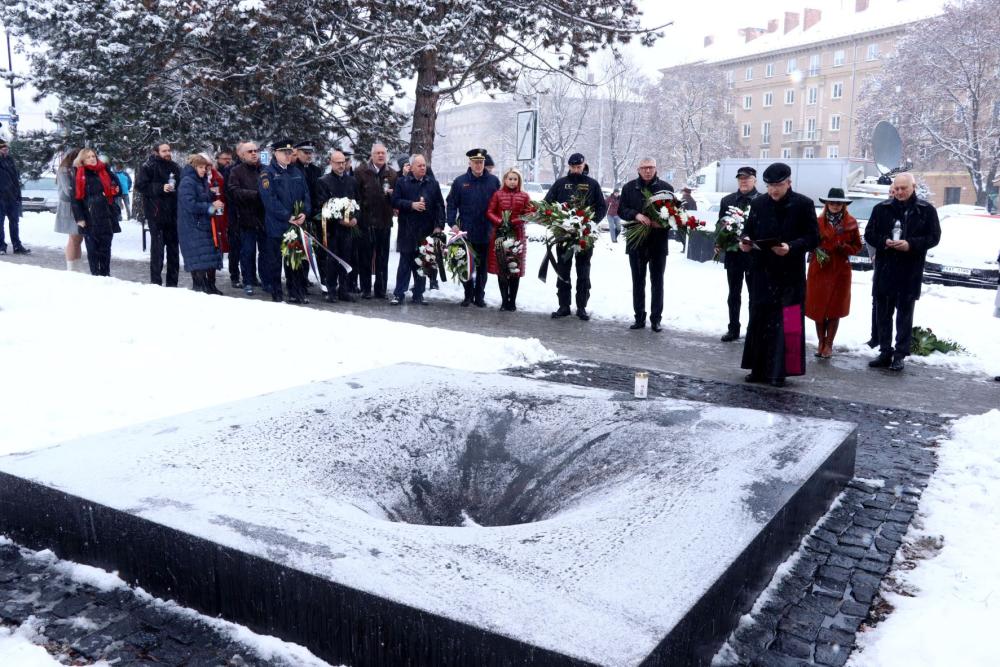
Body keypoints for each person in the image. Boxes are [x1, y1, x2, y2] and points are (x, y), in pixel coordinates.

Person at [738, 162, 818, 388]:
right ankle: (757, 367)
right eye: (770, 185)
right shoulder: (759, 203)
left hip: (789, 273)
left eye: (778, 185)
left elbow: (813, 238)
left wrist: (791, 247)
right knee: (759, 319)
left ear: (788, 183)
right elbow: (749, 230)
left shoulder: (803, 204)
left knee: (788, 321)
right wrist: (745, 242)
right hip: (762, 271)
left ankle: (781, 370)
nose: (774, 190)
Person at [864, 172, 941, 372]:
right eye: (896, 188)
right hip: (885, 269)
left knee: (904, 315)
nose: (899, 192)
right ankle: (885, 351)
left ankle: (900, 354)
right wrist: (884, 242)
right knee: (883, 314)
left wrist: (911, 244)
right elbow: (869, 234)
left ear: (913, 187)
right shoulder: (881, 209)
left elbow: (934, 237)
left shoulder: (926, 210)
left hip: (909, 270)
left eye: (903, 188)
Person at [544, 152, 607, 320]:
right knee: (563, 271)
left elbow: (602, 207)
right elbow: (547, 204)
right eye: (573, 167)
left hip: (584, 236)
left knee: (583, 272)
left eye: (579, 167)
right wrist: (557, 222)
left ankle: (581, 307)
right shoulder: (560, 183)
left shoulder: (592, 184)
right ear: (569, 167)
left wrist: (588, 224)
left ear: (584, 165)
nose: (576, 170)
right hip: (563, 236)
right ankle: (564, 306)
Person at [805, 189, 863, 358]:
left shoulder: (851, 223)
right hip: (819, 269)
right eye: (832, 203)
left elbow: (857, 246)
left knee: (834, 309)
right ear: (826, 204)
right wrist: (817, 248)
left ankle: (829, 344)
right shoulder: (817, 222)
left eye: (839, 203)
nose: (835, 206)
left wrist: (844, 247)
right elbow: (809, 241)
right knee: (817, 308)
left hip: (840, 270)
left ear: (843, 204)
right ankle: (820, 342)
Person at [618, 158, 674, 332]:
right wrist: (636, 215)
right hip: (636, 242)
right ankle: (639, 317)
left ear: (656, 168)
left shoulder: (666, 188)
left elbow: (674, 214)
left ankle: (656, 319)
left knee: (657, 282)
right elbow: (621, 210)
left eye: (650, 167)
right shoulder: (629, 188)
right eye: (644, 168)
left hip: (658, 243)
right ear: (638, 169)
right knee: (638, 281)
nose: (647, 171)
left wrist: (662, 223)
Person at [259, 138, 312, 304]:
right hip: (277, 225)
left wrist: (304, 212)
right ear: (275, 153)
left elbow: (306, 195)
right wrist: (287, 216)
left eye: (290, 152)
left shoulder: (296, 172)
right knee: (275, 262)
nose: (288, 155)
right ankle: (276, 293)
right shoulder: (267, 173)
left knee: (294, 261)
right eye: (284, 152)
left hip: (295, 226)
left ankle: (295, 292)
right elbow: (269, 200)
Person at [446, 148, 500, 307]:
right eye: (475, 162)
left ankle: (479, 296)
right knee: (465, 264)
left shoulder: (493, 181)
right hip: (465, 231)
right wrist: (452, 223)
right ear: (469, 163)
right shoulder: (460, 181)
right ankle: (468, 294)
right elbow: (451, 204)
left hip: (486, 231)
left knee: (482, 267)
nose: (478, 165)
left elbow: (499, 204)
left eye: (481, 162)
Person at [390, 154, 444, 305]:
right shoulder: (402, 182)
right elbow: (395, 201)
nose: (422, 167)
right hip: (407, 229)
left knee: (422, 263)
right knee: (405, 264)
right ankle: (399, 294)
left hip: (426, 231)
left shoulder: (432, 183)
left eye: (424, 165)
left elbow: (440, 205)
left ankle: (418, 294)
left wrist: (439, 226)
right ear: (412, 166)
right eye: (419, 165)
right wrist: (411, 205)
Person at [314, 150, 360, 303]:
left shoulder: (352, 181)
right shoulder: (323, 181)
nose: (341, 165)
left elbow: (358, 203)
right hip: (331, 229)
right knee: (331, 259)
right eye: (338, 162)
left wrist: (355, 219)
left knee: (346, 258)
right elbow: (322, 205)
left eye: (343, 162)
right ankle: (331, 289)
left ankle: (344, 289)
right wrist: (339, 220)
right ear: (331, 163)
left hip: (348, 230)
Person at [719, 166, 759, 342]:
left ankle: (753, 329)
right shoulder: (727, 200)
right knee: (733, 294)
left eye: (747, 178)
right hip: (733, 255)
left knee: (754, 295)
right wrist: (719, 241)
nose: (743, 181)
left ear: (754, 180)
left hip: (754, 256)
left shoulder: (762, 200)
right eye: (740, 178)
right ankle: (733, 328)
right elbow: (721, 225)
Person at [355, 143, 398, 299]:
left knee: (382, 258)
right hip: (366, 223)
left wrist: (393, 196)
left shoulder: (392, 174)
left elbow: (397, 199)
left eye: (383, 153)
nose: (381, 155)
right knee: (365, 258)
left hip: (384, 222)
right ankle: (366, 289)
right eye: (378, 153)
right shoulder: (361, 172)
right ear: (372, 155)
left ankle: (380, 289)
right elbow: (356, 196)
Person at [177, 154, 225, 294]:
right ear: (193, 167)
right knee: (198, 259)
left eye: (205, 167)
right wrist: (211, 206)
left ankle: (210, 286)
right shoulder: (188, 181)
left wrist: (211, 198)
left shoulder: (201, 181)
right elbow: (190, 205)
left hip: (203, 225)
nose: (204, 170)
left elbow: (202, 200)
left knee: (209, 257)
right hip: (192, 226)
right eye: (200, 167)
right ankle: (199, 286)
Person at [136, 142, 181, 286]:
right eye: (164, 151)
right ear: (156, 152)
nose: (168, 153)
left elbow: (181, 185)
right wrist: (160, 187)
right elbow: (140, 186)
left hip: (173, 213)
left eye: (169, 150)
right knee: (157, 250)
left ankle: (172, 283)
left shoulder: (175, 167)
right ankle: (155, 282)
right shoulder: (148, 166)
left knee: (173, 250)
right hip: (156, 214)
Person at [486, 167, 531, 311]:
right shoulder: (497, 195)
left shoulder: (524, 196)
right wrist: (500, 222)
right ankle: (504, 300)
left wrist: (515, 222)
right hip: (500, 235)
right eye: (510, 179)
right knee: (502, 268)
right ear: (505, 179)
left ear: (519, 181)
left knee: (515, 269)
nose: (512, 182)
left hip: (517, 235)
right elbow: (489, 212)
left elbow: (528, 214)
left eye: (515, 179)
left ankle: (513, 301)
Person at [71, 148, 121, 276]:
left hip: (107, 216)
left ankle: (105, 275)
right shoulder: (78, 174)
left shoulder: (104, 171)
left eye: (93, 156)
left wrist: (113, 183)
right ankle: (95, 276)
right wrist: (80, 218)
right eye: (88, 157)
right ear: (82, 160)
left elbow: (118, 190)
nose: (92, 159)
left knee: (105, 250)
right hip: (89, 218)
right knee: (93, 251)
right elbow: (75, 199)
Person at [227, 142, 266, 295]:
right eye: (250, 151)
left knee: (265, 251)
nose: (254, 153)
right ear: (242, 155)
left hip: (264, 218)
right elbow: (233, 191)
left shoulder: (264, 169)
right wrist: (255, 195)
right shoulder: (236, 171)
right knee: (248, 252)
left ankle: (266, 280)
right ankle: (248, 281)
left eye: (256, 150)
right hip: (245, 217)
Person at [54, 149, 85, 270]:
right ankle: (71, 267)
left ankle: (76, 264)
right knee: (74, 237)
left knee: (79, 237)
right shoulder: (64, 170)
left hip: (76, 205)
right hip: (69, 206)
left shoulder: (75, 169)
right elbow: (69, 190)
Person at [216, 150, 241, 288]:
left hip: (233, 212)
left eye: (229, 159)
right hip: (223, 212)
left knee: (238, 246)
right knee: (233, 246)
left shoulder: (232, 171)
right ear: (218, 159)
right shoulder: (216, 173)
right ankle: (234, 274)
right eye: (225, 159)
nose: (228, 161)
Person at [0, 139, 29, 254]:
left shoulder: (10, 160)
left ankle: (17, 246)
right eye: (3, 149)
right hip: (1, 197)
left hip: (12, 197)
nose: (5, 151)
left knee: (14, 222)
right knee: (0, 223)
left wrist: (17, 195)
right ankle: (1, 246)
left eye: (7, 149)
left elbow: (15, 180)